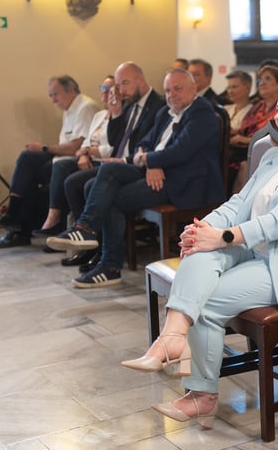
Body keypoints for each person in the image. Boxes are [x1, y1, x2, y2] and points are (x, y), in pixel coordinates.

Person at [120, 81, 278, 429]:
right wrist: (202, 230)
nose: (277, 115)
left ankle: (201, 394)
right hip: (257, 254)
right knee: (198, 253)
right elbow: (237, 204)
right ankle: (172, 339)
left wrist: (223, 237)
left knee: (208, 300)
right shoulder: (274, 157)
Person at [46, 68, 225, 288]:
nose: (171, 95)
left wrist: (149, 160)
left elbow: (180, 152)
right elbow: (144, 142)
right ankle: (87, 231)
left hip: (184, 182)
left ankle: (107, 263)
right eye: (168, 90)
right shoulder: (165, 112)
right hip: (158, 173)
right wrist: (150, 161)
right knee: (109, 170)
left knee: (112, 197)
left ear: (193, 88)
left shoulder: (202, 112)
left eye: (177, 89)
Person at [60, 62, 166, 269]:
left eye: (125, 83)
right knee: (76, 183)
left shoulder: (159, 104)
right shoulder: (129, 104)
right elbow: (115, 141)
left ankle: (89, 235)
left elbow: (154, 142)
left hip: (141, 165)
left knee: (98, 181)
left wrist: (150, 161)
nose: (120, 90)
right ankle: (93, 247)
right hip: (123, 161)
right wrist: (116, 114)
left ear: (140, 80)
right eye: (118, 85)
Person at [0, 75, 99, 249]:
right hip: (62, 159)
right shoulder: (69, 109)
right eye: (50, 96)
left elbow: (76, 147)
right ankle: (13, 214)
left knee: (33, 170)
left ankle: (20, 229)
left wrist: (44, 148)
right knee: (27, 157)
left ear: (71, 90)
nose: (53, 100)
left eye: (55, 94)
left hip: (77, 160)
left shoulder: (86, 107)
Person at [36, 76, 116, 237]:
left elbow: (113, 147)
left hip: (104, 162)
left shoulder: (119, 116)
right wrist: (84, 154)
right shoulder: (100, 115)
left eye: (109, 89)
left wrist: (87, 152)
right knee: (36, 164)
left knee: (70, 179)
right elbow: (86, 142)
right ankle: (59, 230)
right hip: (89, 158)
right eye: (103, 88)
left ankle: (81, 233)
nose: (105, 93)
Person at [229, 65, 278, 192]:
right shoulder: (257, 106)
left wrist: (245, 140)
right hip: (243, 149)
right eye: (259, 80)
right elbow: (245, 129)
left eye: (267, 79)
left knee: (241, 163)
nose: (261, 83)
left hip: (270, 152)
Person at [223, 70, 253, 134]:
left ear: (247, 88)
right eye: (228, 88)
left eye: (234, 87)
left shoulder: (254, 112)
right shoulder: (225, 109)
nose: (230, 91)